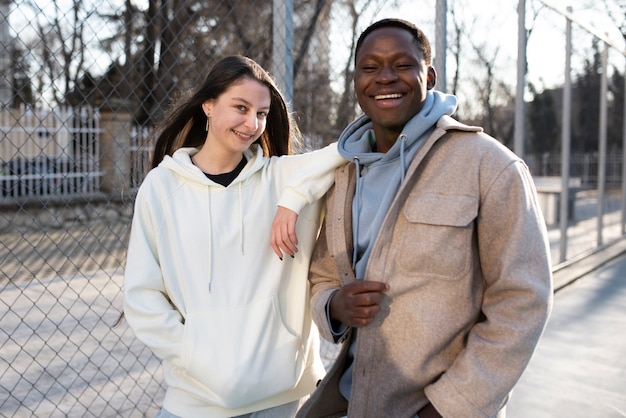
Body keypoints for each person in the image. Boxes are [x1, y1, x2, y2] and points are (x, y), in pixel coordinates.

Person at [296, 18, 553, 418]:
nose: (384, 78)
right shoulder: (343, 172)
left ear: (428, 76)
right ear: (355, 81)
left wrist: (448, 407)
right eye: (370, 67)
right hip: (350, 401)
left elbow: (523, 300)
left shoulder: (490, 165)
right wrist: (334, 306)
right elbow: (323, 274)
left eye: (401, 65)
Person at [123, 55, 346, 417]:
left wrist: (291, 200)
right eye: (240, 107)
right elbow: (142, 296)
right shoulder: (162, 187)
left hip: (281, 397)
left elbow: (356, 145)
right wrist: (194, 355)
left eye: (261, 113)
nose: (252, 123)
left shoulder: (283, 177)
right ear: (208, 105)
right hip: (196, 399)